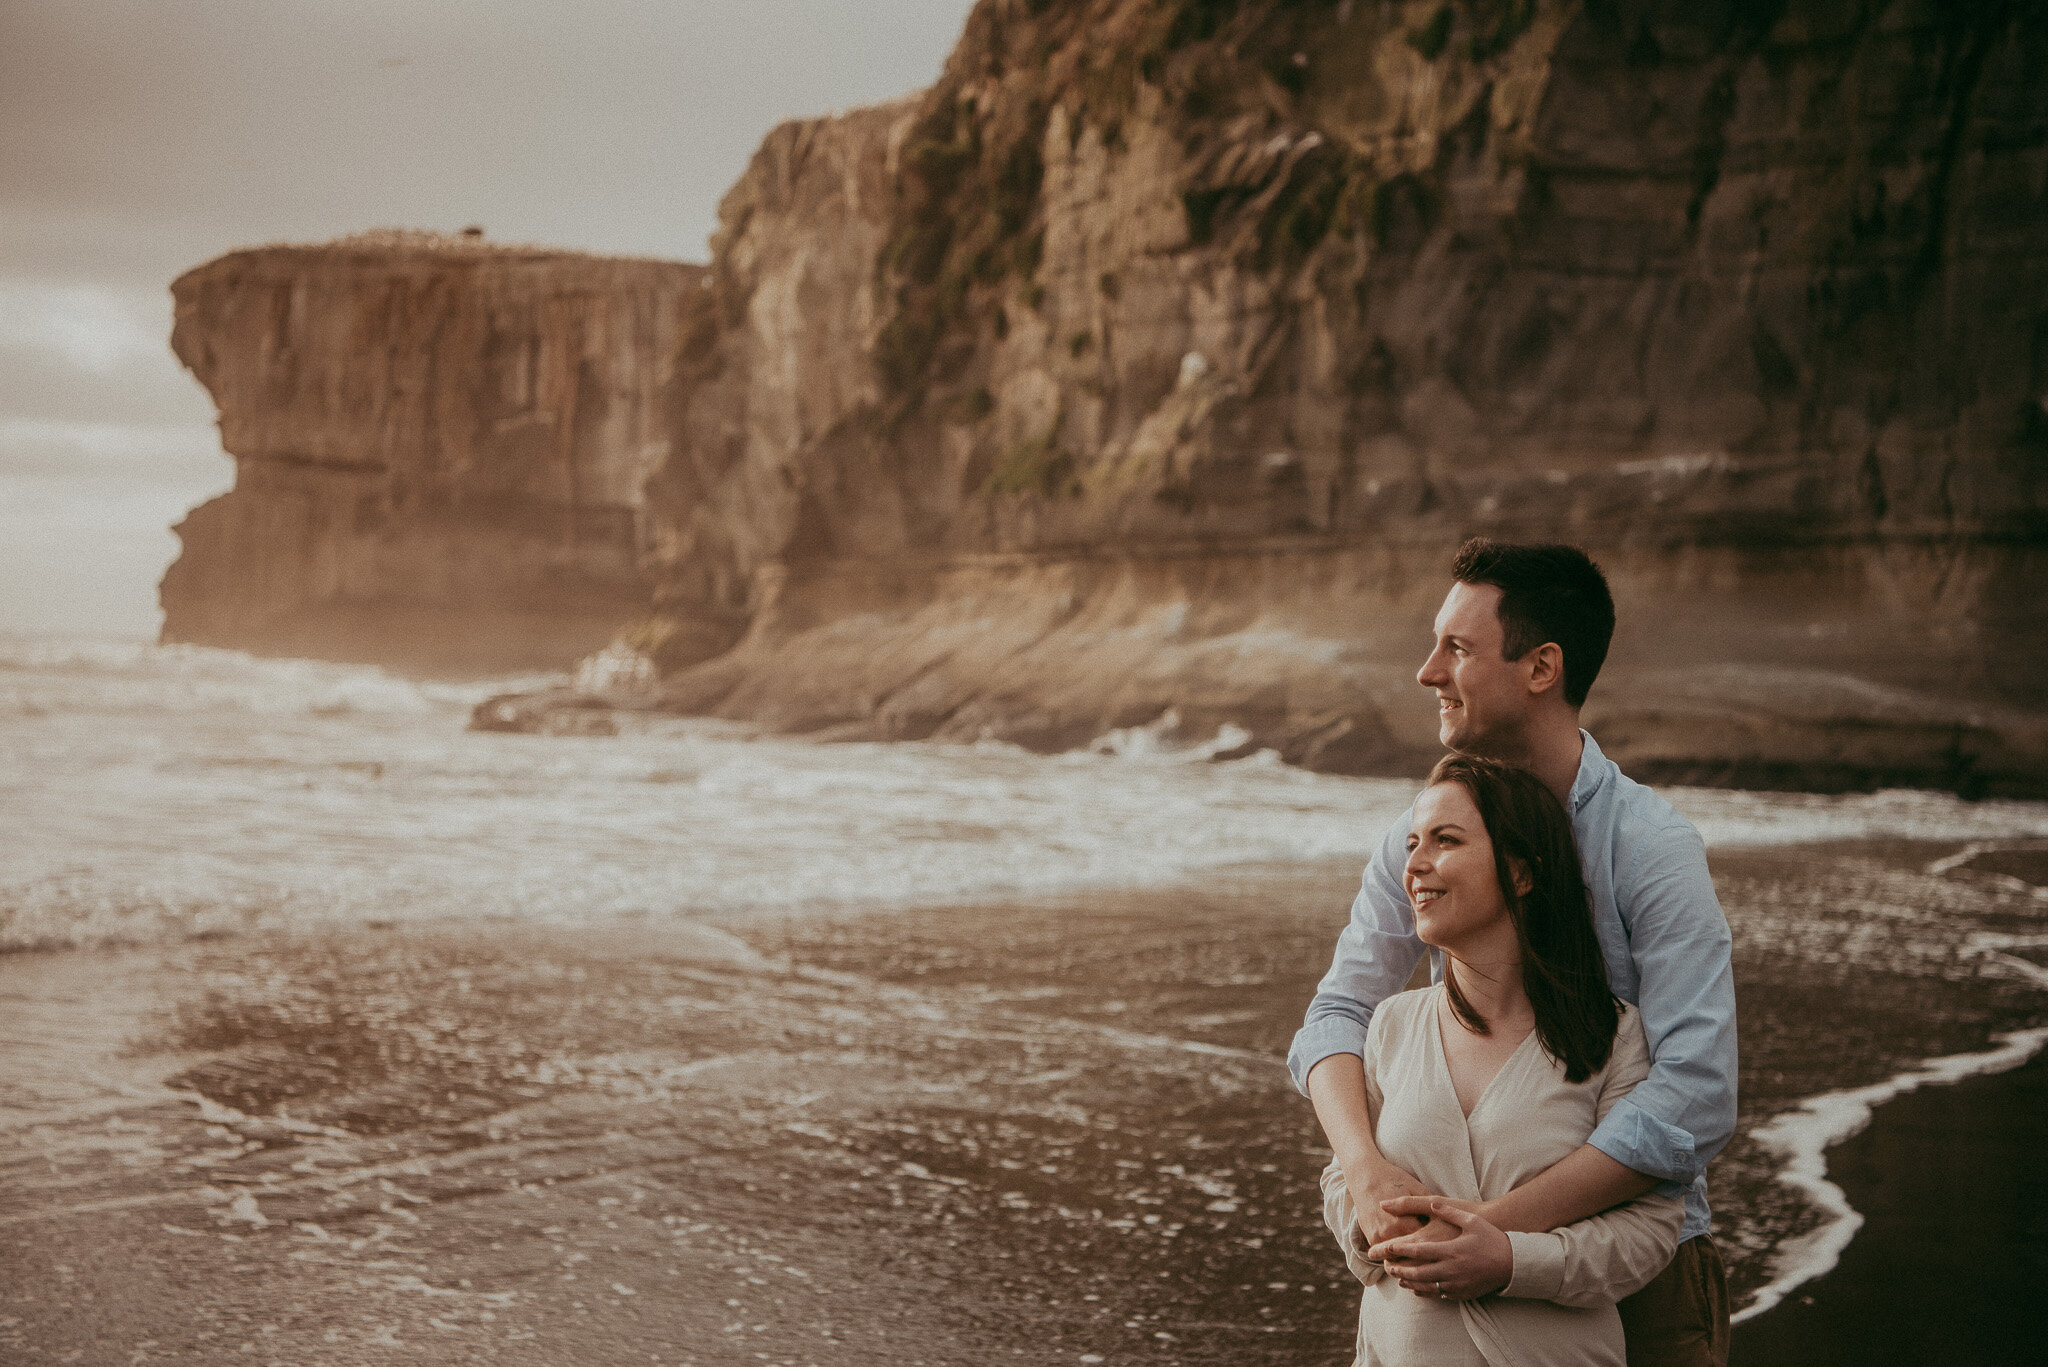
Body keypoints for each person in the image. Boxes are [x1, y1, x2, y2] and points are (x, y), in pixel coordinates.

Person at [1289, 539, 1737, 1366]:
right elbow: (1335, 1017)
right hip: (1440, 1276)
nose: (1428, 672)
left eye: (1457, 648)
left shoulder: (1649, 846)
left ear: (1541, 668)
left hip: (1641, 1270)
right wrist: (1366, 1173)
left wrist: (1497, 1235)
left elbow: (1696, 1095)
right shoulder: (1416, 838)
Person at [1321, 754, 1683, 1366]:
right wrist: (1373, 1223)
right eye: (1412, 843)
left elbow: (1650, 1229)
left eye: (1446, 840)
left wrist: (1513, 1261)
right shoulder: (1392, 1025)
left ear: (1520, 871)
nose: (1413, 865)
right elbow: (1343, 1179)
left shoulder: (1614, 1035)